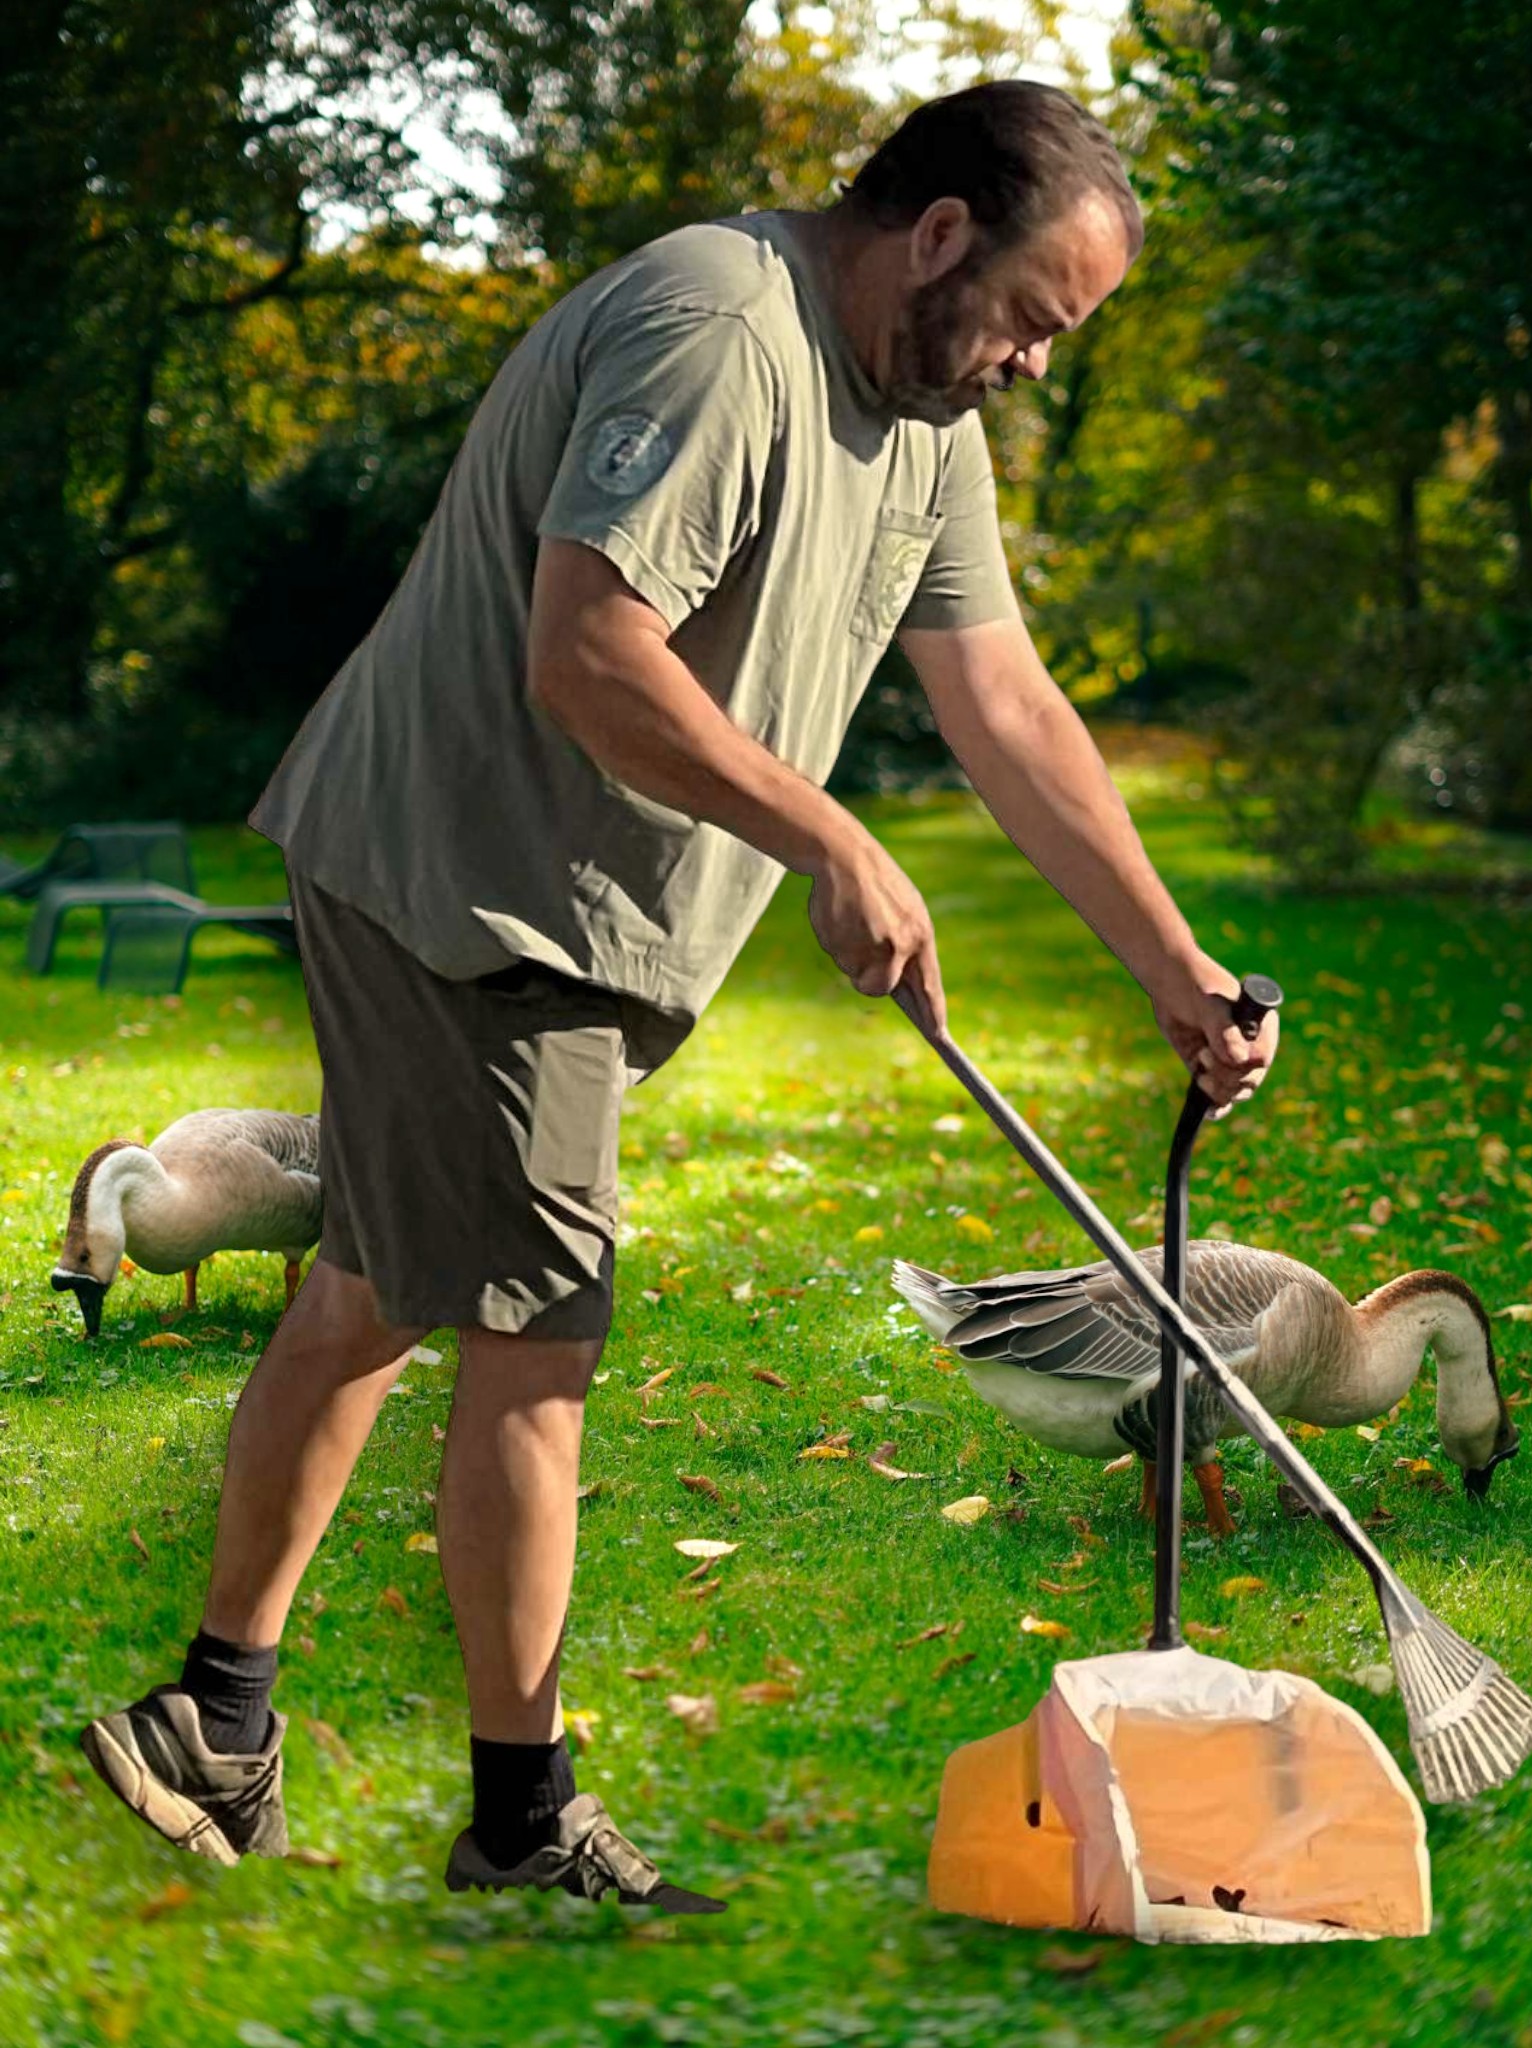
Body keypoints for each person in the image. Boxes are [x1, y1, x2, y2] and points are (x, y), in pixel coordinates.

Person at [79, 78, 1279, 1911]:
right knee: (538, 1337)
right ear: (941, 231)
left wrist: (1174, 965)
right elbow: (585, 648)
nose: (1033, 363)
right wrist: (827, 841)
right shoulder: (725, 328)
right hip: (478, 888)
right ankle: (522, 1808)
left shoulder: (925, 415)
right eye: (1035, 316)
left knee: (374, 1292)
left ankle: (212, 1727)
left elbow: (1011, 709)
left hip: (503, 891)